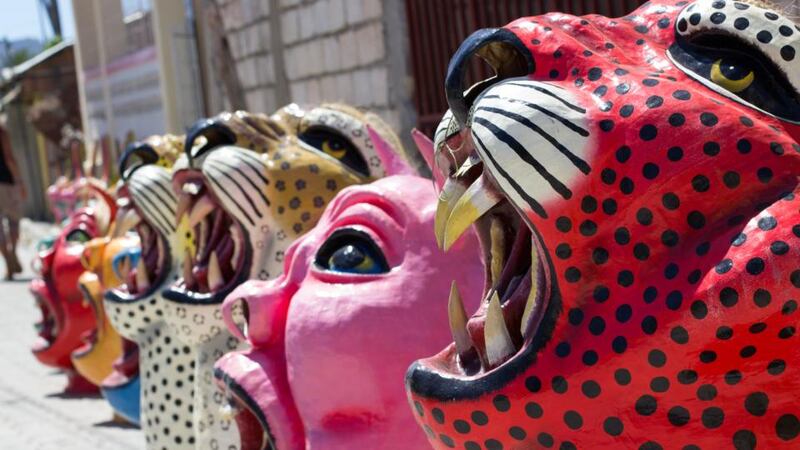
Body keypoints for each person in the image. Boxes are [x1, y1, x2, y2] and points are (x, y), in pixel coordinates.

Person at [0, 119, 25, 280]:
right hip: (5, 182)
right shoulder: (1, 131)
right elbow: (9, 158)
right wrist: (20, 181)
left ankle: (7, 260)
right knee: (13, 220)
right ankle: (13, 251)